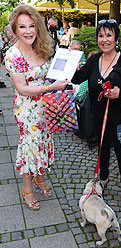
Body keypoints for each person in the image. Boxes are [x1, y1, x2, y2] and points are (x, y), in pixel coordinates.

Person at [71, 19, 121, 211]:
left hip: (120, 117)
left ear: (116, 37)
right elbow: (77, 78)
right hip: (99, 115)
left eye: (109, 35)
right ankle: (103, 179)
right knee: (102, 148)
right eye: (101, 35)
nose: (104, 40)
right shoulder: (94, 59)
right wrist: (70, 64)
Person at [4, 4, 68, 211]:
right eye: (22, 27)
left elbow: (46, 74)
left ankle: (40, 179)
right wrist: (51, 86)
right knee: (30, 146)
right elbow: (22, 88)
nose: (28, 31)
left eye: (32, 26)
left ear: (38, 27)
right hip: (27, 109)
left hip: (45, 106)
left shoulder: (40, 47)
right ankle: (26, 188)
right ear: (15, 30)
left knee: (42, 142)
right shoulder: (13, 55)